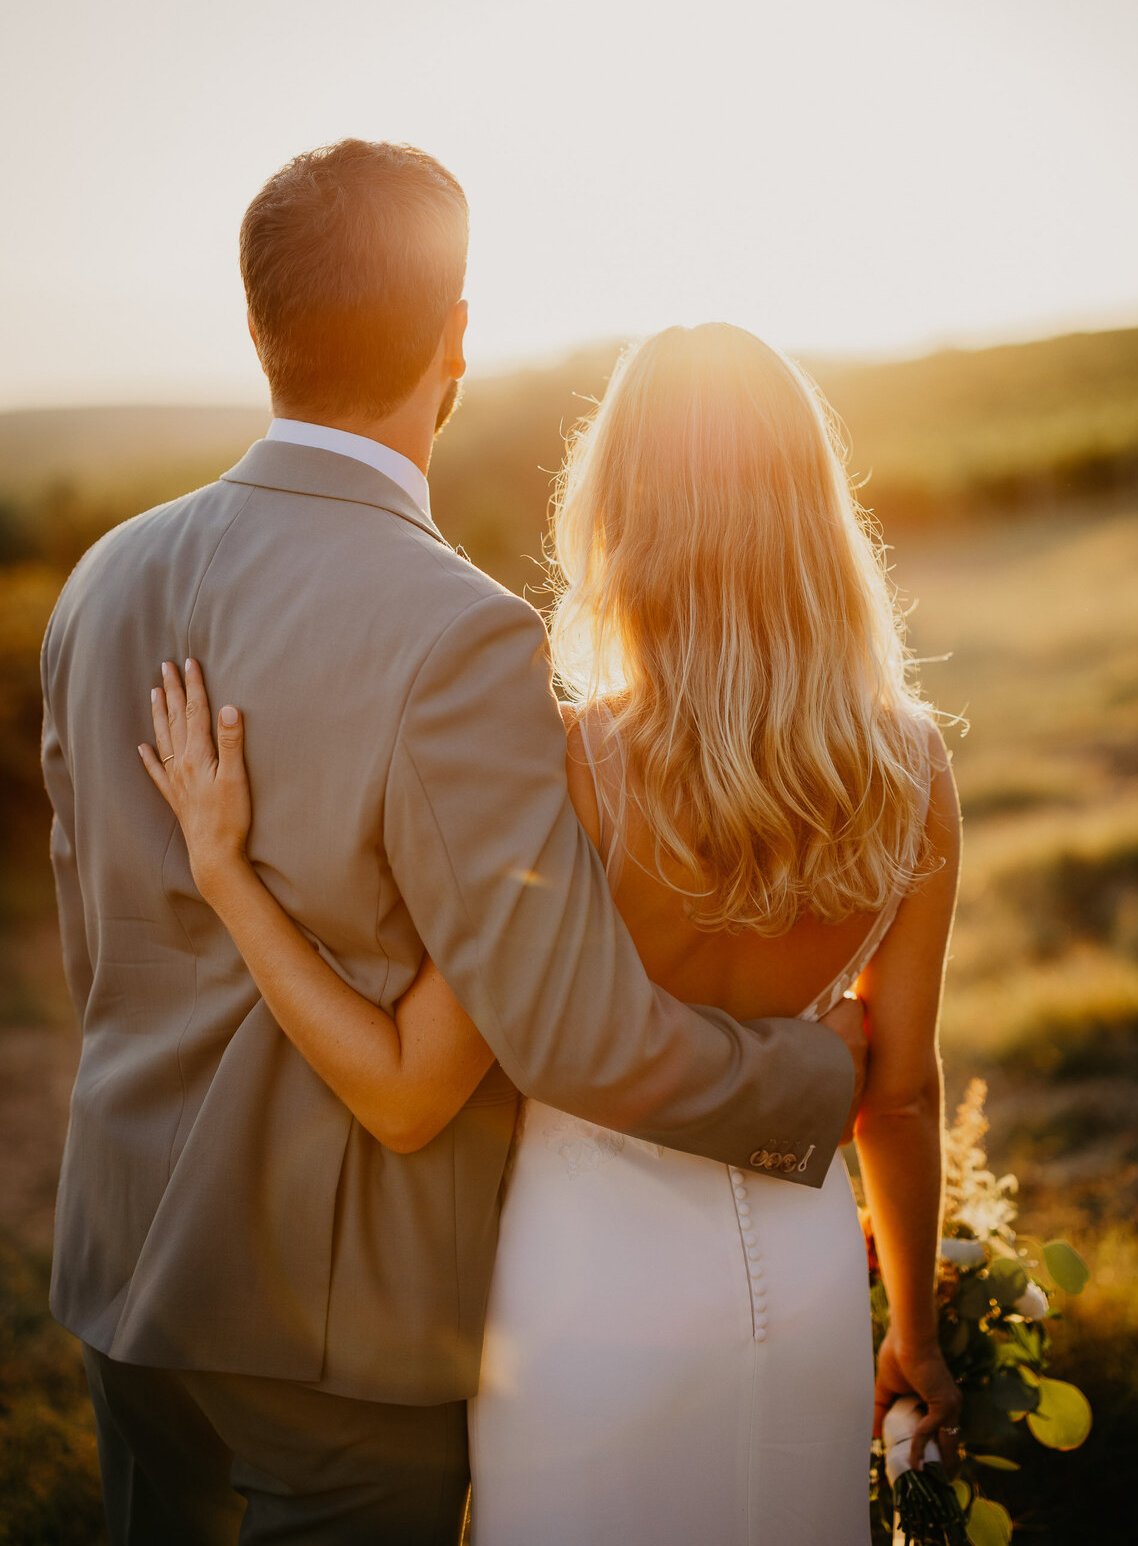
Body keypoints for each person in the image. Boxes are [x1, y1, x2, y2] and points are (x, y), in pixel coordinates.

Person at [41, 142, 869, 1546]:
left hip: (126, 1281)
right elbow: (577, 1036)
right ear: (458, 339)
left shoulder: (103, 580)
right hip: (341, 1330)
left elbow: (101, 939)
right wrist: (814, 1074)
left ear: (258, 329)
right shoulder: (462, 634)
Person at [139, 318, 963, 1543]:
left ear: (616, 513)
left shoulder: (573, 768)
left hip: (587, 1302)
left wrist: (228, 874)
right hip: (802, 1294)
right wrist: (914, 1331)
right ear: (813, 511)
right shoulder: (910, 764)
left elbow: (406, 1079)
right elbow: (898, 1097)